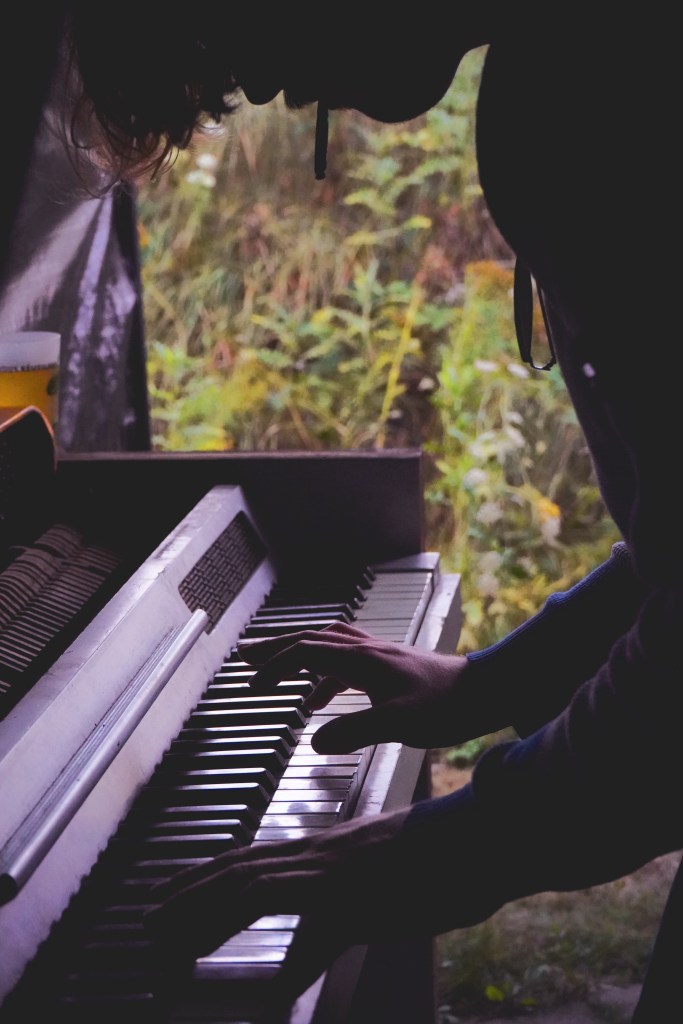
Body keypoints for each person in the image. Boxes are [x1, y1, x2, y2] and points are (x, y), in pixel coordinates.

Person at [61, 6, 682, 1022]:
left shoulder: (602, 101)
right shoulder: (572, 64)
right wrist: (493, 684)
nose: (264, 85)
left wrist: (454, 845)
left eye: (232, 32)